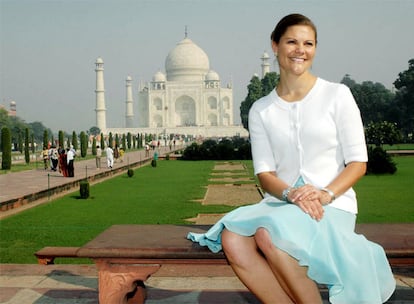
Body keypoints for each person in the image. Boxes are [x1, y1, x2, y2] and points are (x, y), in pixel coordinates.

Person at [188, 13, 395, 303]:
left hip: (331, 205)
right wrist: (291, 193)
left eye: (308, 43)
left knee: (267, 235)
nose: (301, 50)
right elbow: (265, 173)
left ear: (315, 49)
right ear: (275, 45)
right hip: (281, 202)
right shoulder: (262, 109)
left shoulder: (337, 95)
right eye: (292, 42)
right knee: (232, 240)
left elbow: (358, 163)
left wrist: (324, 194)